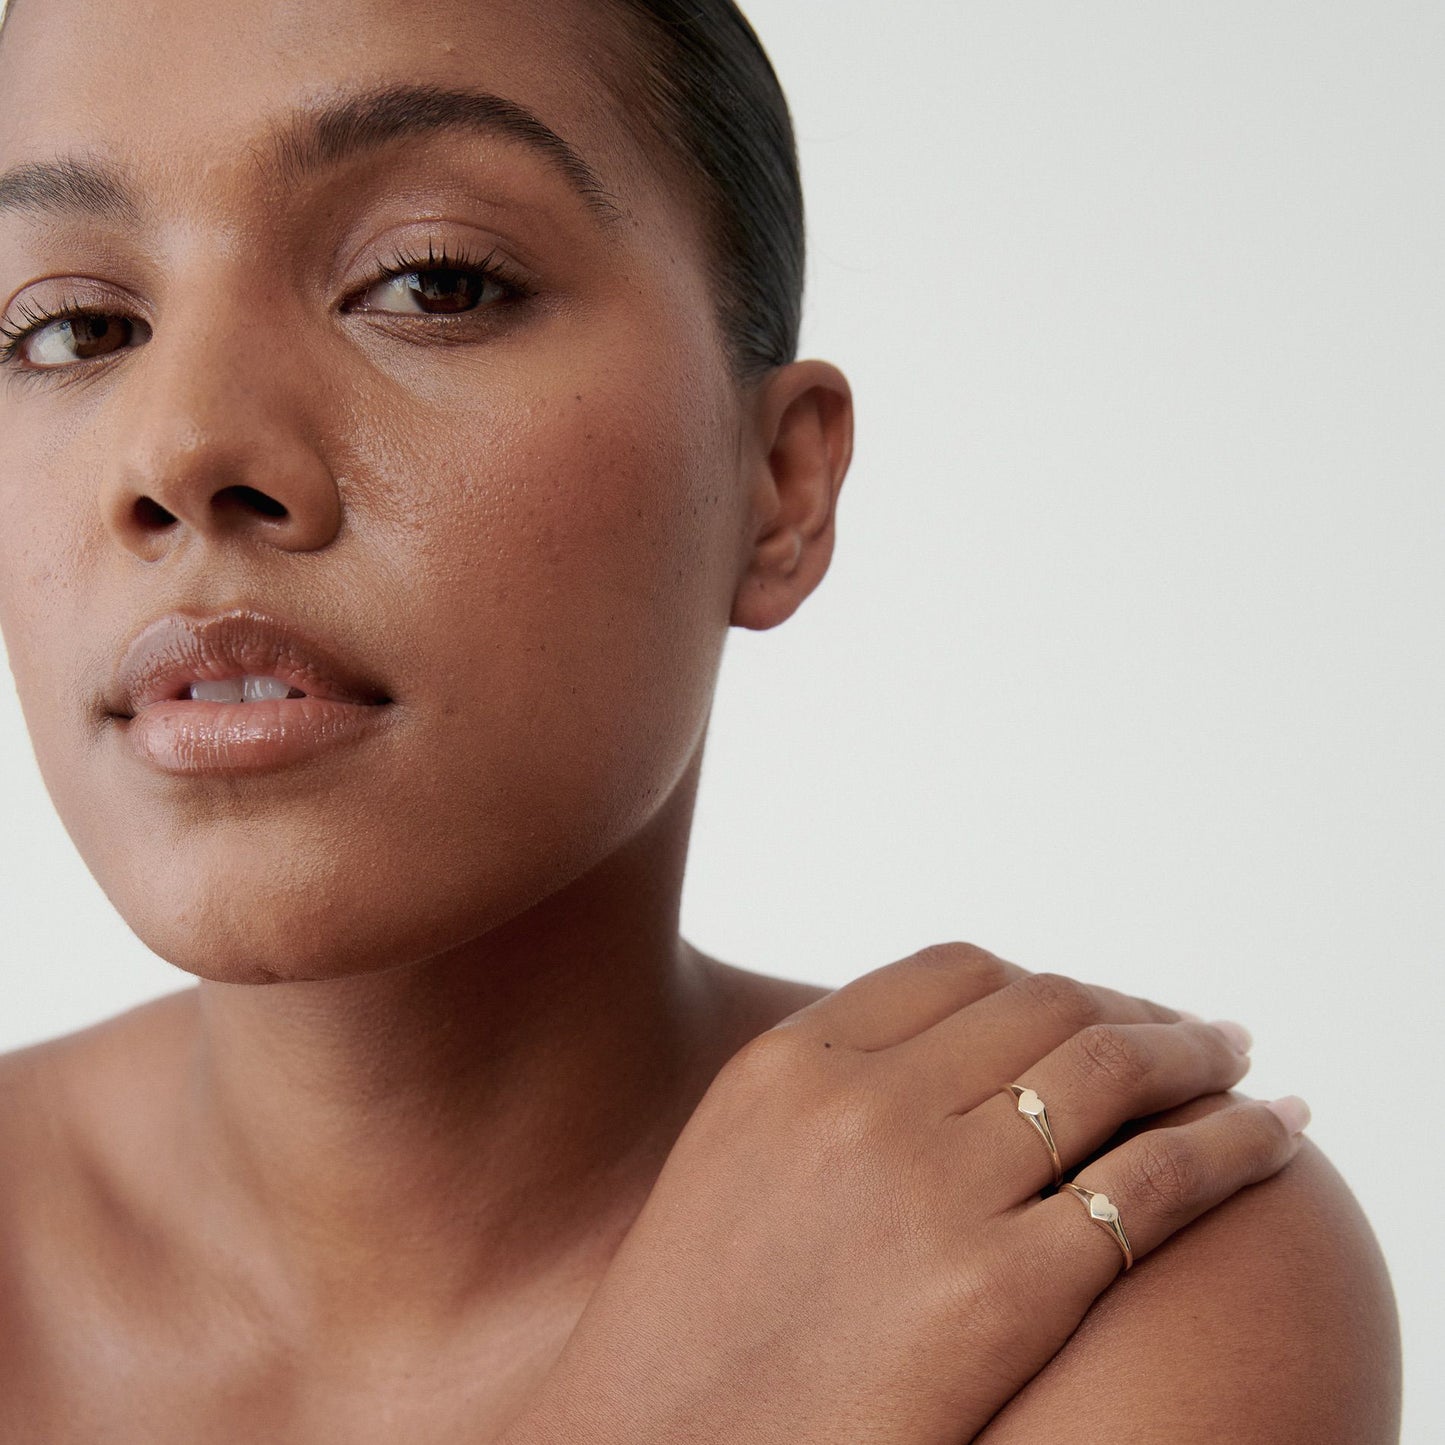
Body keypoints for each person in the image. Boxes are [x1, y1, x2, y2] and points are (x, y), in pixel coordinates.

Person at [0, 0, 1401, 1439]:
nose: (179, 449)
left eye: (430, 283)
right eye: (71, 327)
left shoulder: (1094, 1274)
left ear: (778, 486)